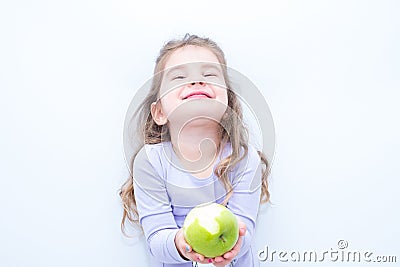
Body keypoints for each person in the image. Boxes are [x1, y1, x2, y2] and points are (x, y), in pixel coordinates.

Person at [120, 34, 270, 267]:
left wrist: (235, 244)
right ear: (159, 112)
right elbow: (156, 239)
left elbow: (246, 232)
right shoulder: (150, 161)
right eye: (179, 77)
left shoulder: (244, 159)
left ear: (228, 105)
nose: (196, 82)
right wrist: (182, 243)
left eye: (209, 74)